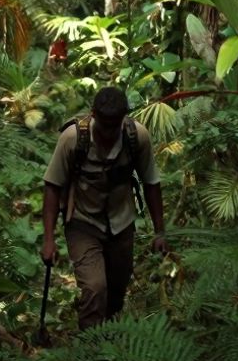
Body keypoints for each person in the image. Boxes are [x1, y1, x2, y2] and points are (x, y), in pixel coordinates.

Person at [40, 86, 167, 329]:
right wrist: (48, 239)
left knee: (116, 290)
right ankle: (90, 351)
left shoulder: (137, 137)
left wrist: (160, 231)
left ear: (124, 118)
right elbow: (52, 186)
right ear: (93, 115)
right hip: (82, 222)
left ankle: (107, 336)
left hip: (122, 223)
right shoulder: (73, 139)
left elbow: (151, 182)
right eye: (104, 124)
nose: (109, 132)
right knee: (95, 287)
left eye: (114, 124)